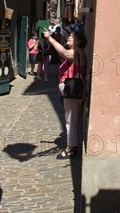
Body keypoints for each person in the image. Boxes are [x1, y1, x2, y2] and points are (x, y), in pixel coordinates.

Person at [42, 29, 88, 159]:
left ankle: (71, 148)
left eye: (72, 36)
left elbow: (62, 52)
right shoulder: (78, 53)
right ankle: (73, 145)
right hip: (71, 92)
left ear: (78, 41)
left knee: (70, 120)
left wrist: (50, 38)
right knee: (72, 119)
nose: (68, 37)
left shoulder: (76, 52)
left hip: (73, 92)